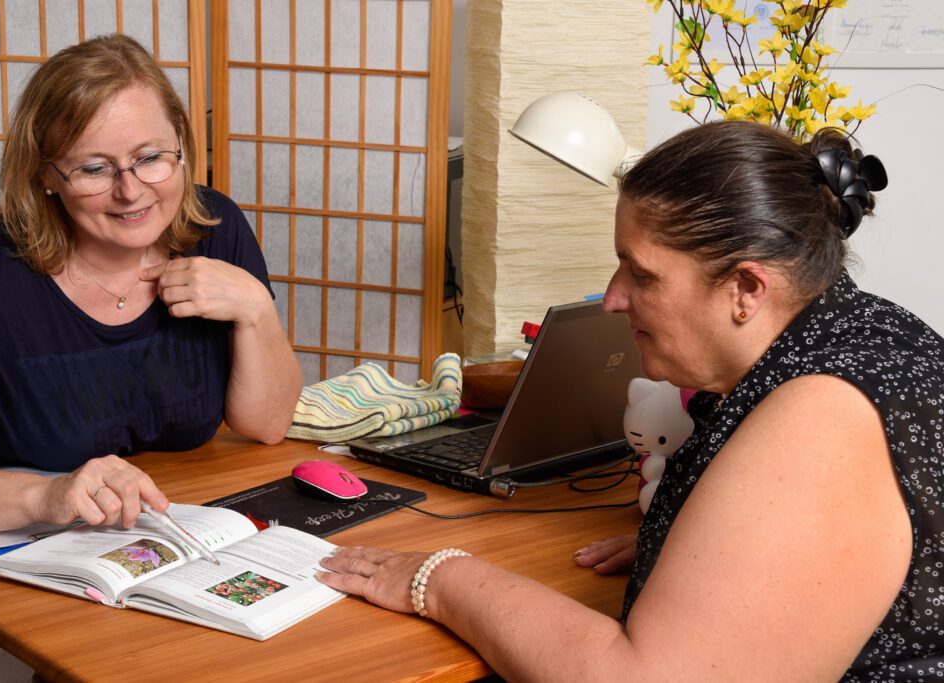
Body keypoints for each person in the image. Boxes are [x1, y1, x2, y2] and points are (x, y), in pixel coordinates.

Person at [318, 120, 944, 680]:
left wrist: (441, 577)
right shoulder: (871, 329)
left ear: (747, 288)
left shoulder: (824, 416)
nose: (614, 298)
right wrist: (700, 542)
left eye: (641, 274)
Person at [0, 34, 302, 538]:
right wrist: (47, 494)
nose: (130, 190)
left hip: (163, 531)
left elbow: (268, 423)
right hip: (5, 555)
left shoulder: (214, 228)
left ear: (182, 146)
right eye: (94, 169)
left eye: (150, 157)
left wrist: (256, 309)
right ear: (46, 176)